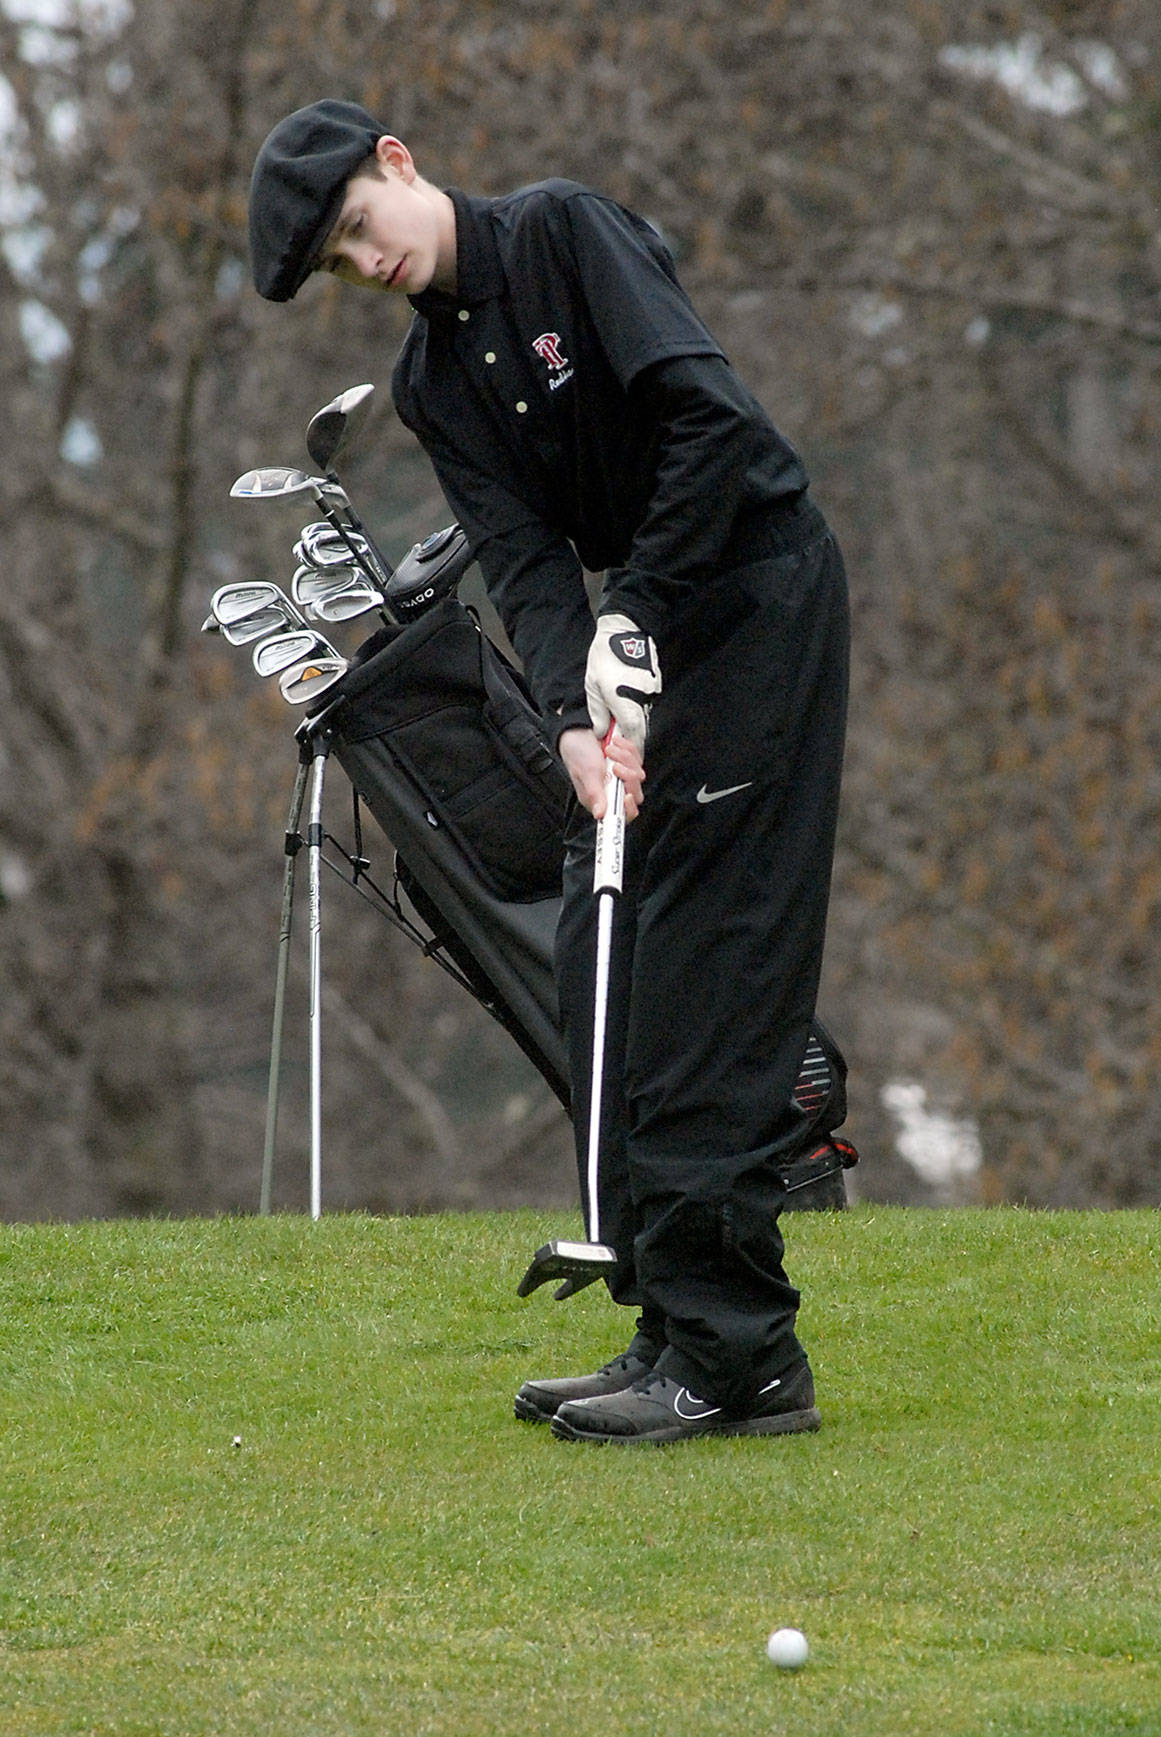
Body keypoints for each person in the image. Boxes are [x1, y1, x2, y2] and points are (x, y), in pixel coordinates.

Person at [248, 99, 850, 1444]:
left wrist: (635, 607)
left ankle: (744, 1358)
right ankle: (671, 1321)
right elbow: (521, 561)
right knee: (600, 966)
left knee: (705, 971)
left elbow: (707, 423)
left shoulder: (567, 235)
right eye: (341, 264)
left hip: (754, 605)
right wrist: (576, 723)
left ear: (397, 162)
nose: (368, 262)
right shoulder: (431, 383)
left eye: (358, 226)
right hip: (643, 655)